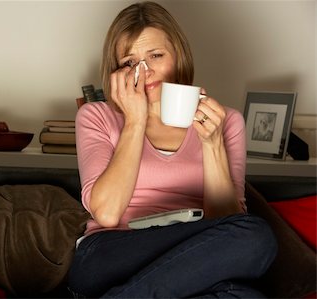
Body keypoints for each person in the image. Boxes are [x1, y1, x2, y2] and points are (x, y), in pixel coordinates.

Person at [68, 2, 278, 298]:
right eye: (130, 62)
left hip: (194, 253)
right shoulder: (96, 116)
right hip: (112, 252)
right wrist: (135, 120)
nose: (145, 70)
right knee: (253, 244)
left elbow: (227, 222)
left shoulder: (225, 121)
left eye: (155, 55)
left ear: (178, 56)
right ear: (116, 72)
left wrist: (212, 143)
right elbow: (107, 213)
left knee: (254, 242)